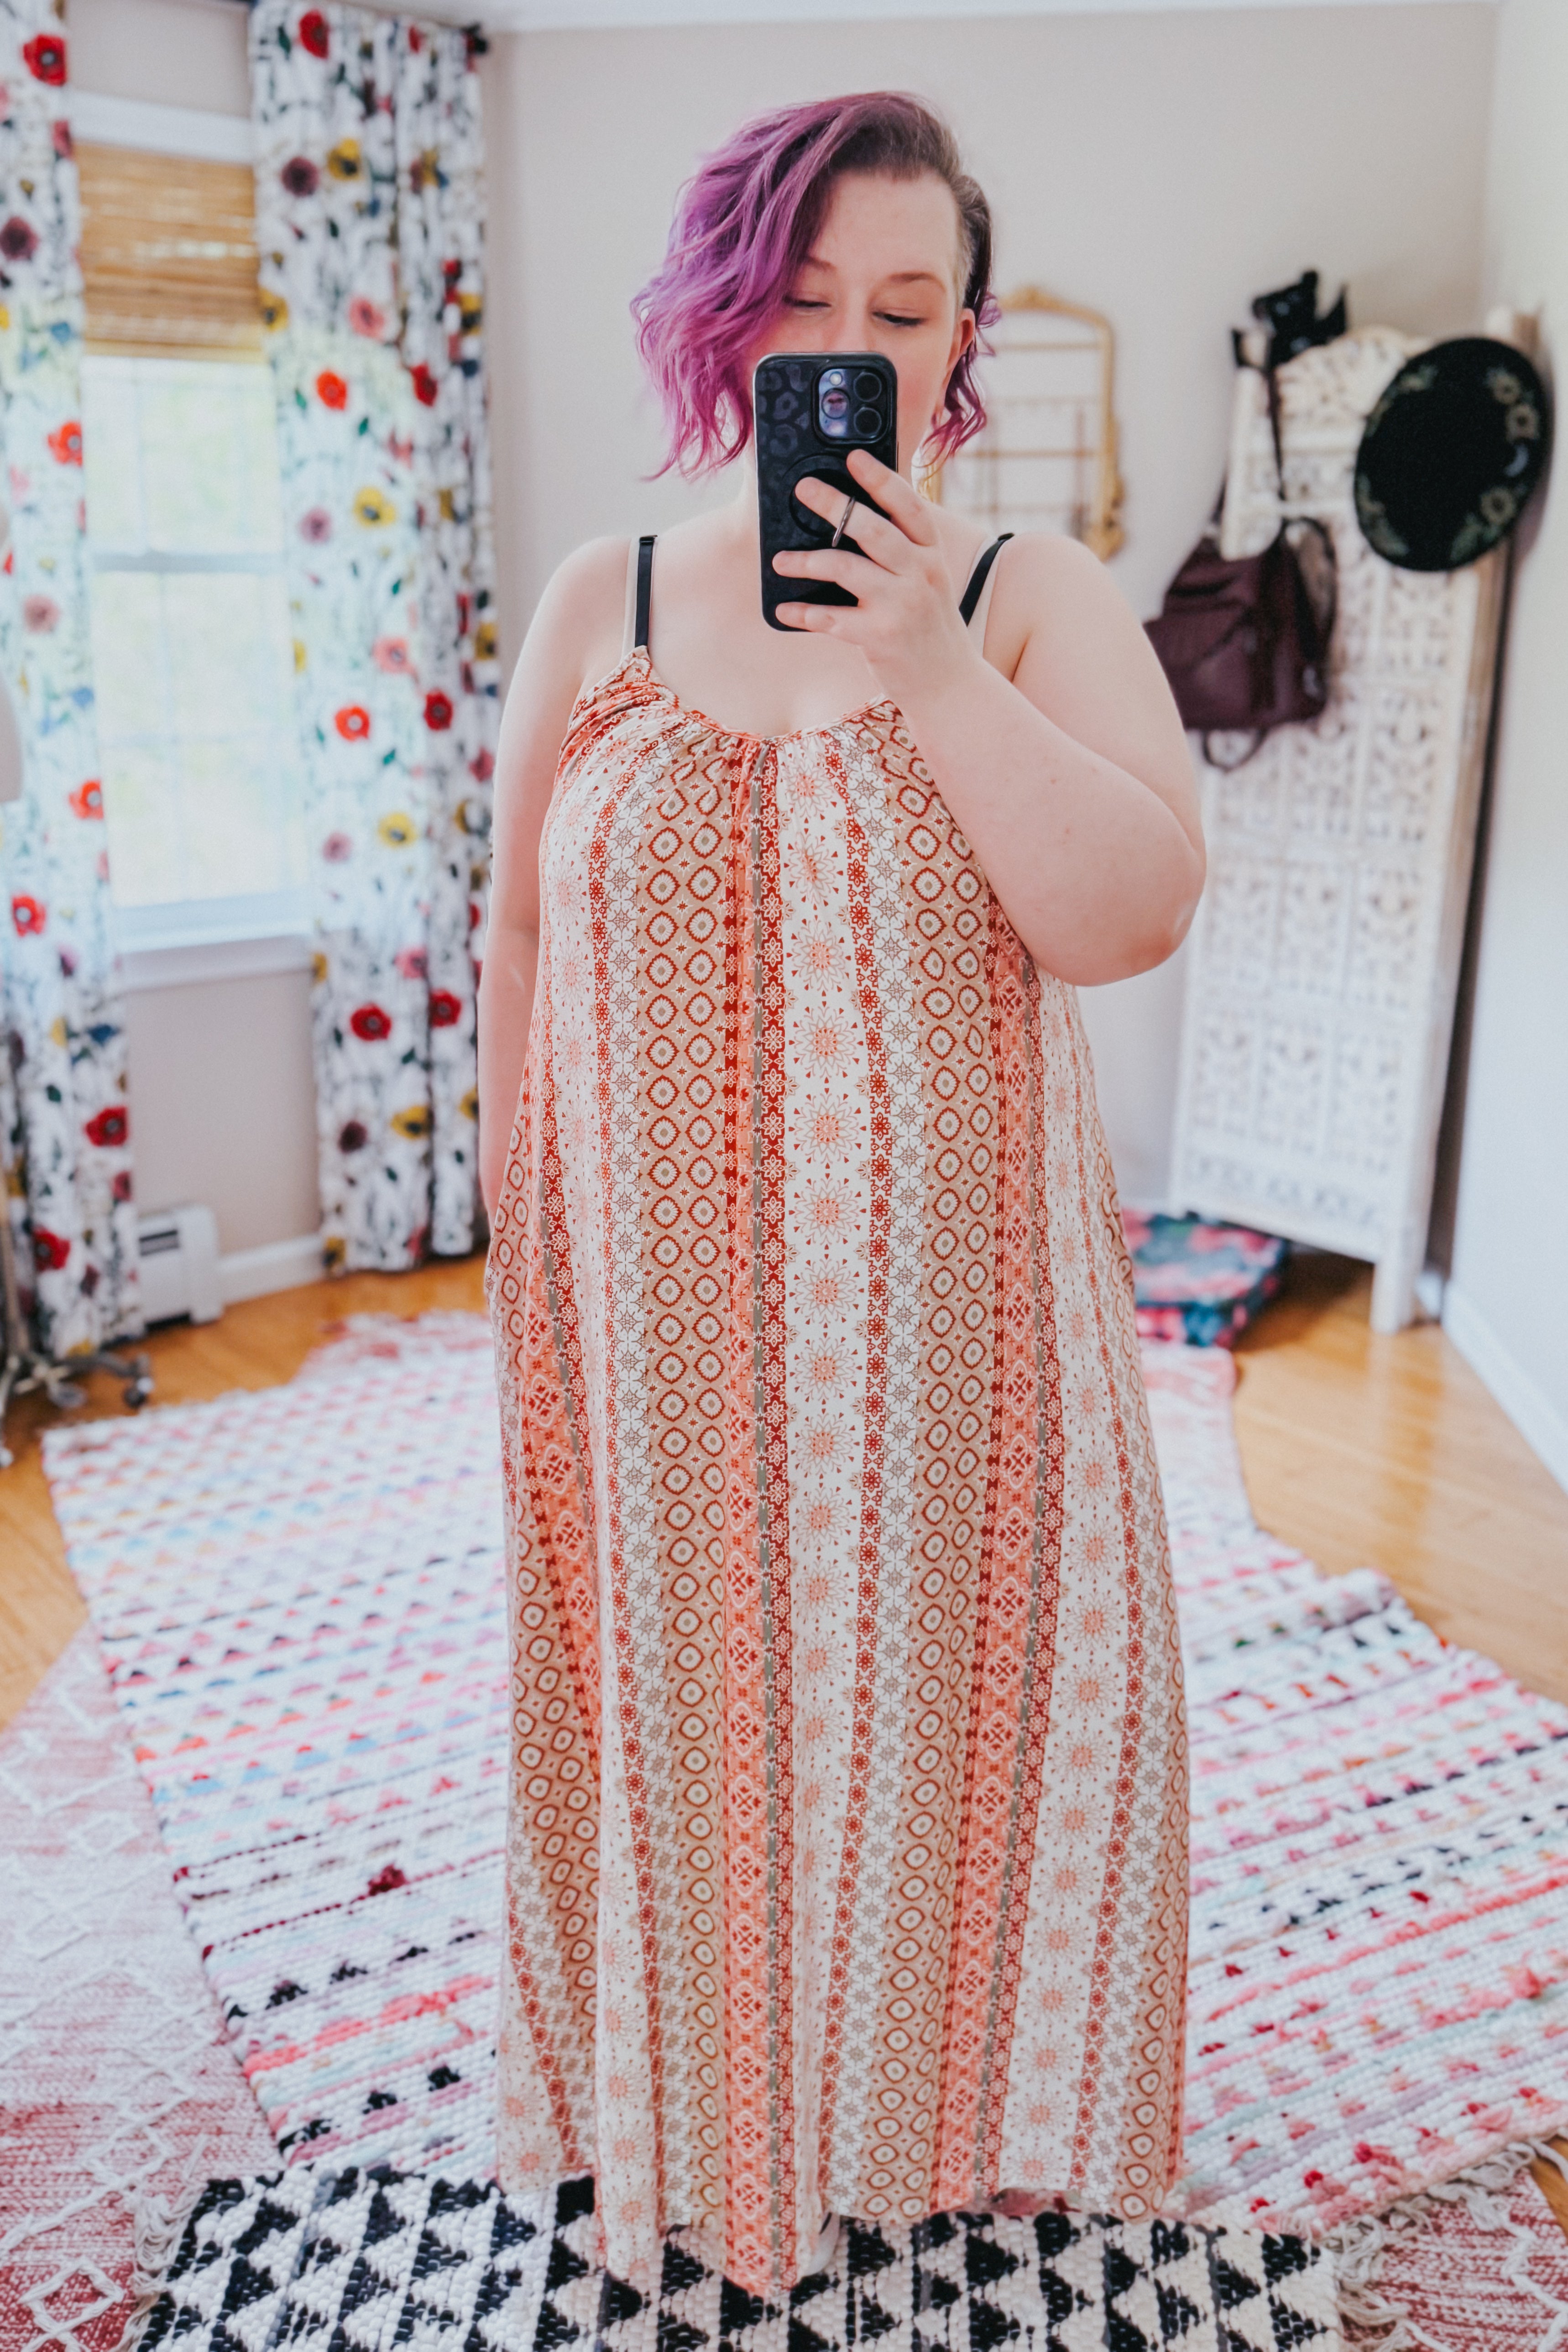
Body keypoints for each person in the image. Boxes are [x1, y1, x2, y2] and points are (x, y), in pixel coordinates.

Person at [481, 91, 1198, 2299]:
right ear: (724, 312)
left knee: (949, 1729)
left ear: (955, 342)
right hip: (648, 1347)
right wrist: (524, 1244)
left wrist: (920, 656)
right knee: (678, 1717)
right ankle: (675, 2090)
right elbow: (514, 931)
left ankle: (940, 2113)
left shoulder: (1018, 590)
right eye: (802, 299)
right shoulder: (593, 598)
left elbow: (1131, 906)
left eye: (901, 310)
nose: (847, 346)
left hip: (952, 1346)